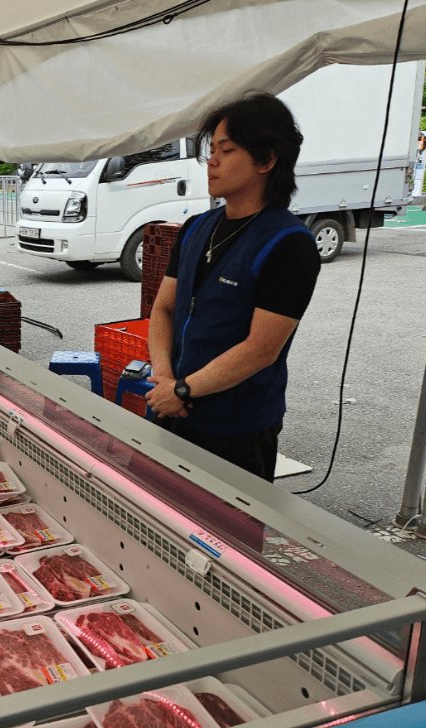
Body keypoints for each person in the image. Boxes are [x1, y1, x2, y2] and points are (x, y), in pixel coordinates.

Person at [144, 93, 321, 482]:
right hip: (170, 406)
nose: (212, 160)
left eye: (227, 150)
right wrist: (164, 379)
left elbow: (261, 350)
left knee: (226, 536)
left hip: (237, 426)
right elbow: (164, 310)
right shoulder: (195, 229)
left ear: (267, 160)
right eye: (211, 150)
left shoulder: (290, 244)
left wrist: (184, 391)